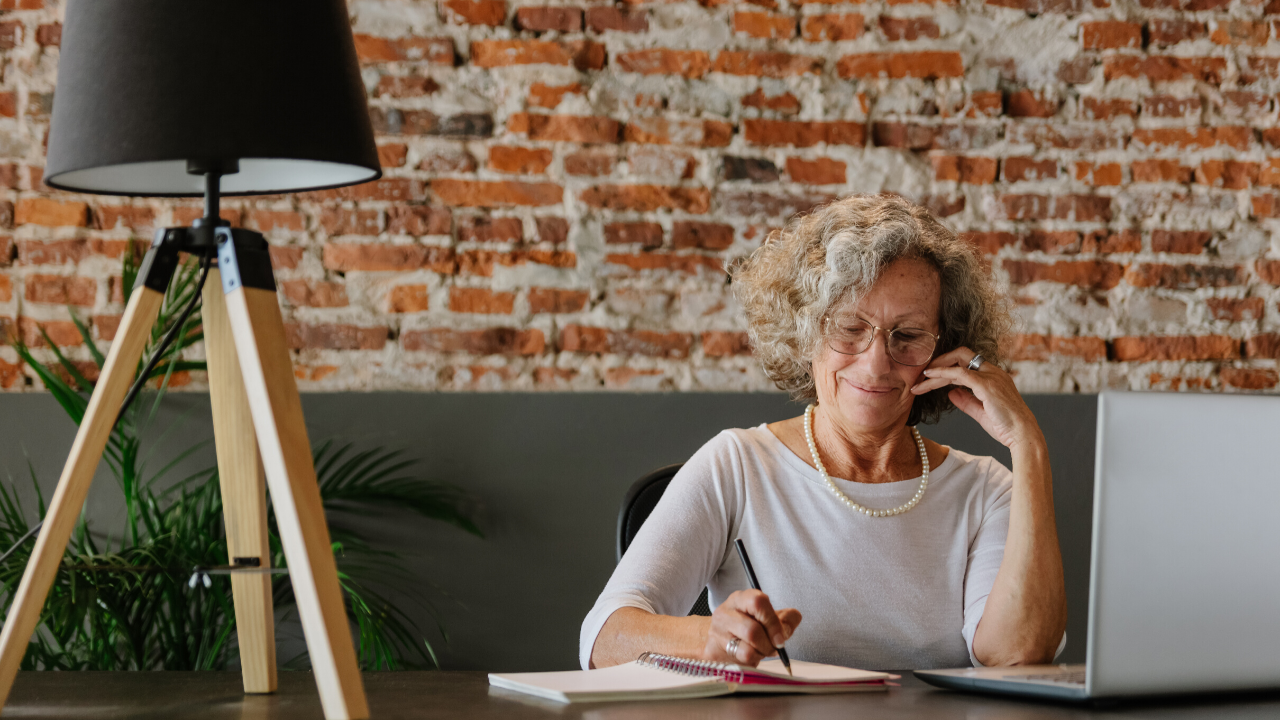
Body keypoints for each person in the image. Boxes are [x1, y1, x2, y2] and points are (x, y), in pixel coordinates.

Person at [580, 194, 1067, 671]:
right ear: (805, 331)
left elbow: (1016, 653)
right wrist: (712, 636)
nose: (876, 363)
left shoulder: (985, 490)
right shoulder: (736, 466)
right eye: (850, 328)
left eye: (909, 334)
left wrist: (1029, 446)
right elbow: (604, 637)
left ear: (944, 352)